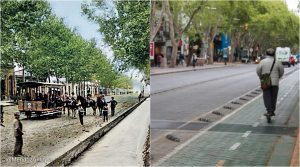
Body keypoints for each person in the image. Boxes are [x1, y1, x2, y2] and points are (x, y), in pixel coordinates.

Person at [256, 48, 284, 117]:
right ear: (274, 54)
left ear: (266, 53)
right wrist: (277, 77)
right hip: (275, 82)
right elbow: (282, 71)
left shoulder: (262, 62)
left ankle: (268, 111)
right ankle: (272, 111)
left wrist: (261, 77)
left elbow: (258, 71)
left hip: (265, 81)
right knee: (274, 97)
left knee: (266, 96)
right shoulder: (278, 62)